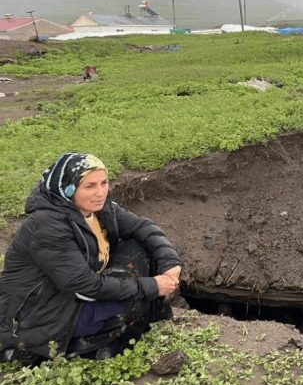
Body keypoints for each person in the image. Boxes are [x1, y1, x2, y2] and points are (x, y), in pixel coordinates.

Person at [0, 153, 182, 364]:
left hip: (67, 293)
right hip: (36, 313)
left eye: (103, 183)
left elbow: (142, 227)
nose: (100, 192)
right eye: (90, 186)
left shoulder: (98, 208)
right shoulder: (47, 226)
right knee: (133, 305)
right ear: (68, 188)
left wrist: (170, 262)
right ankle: (45, 351)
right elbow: (85, 286)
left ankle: (118, 323)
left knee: (138, 246)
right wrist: (151, 286)